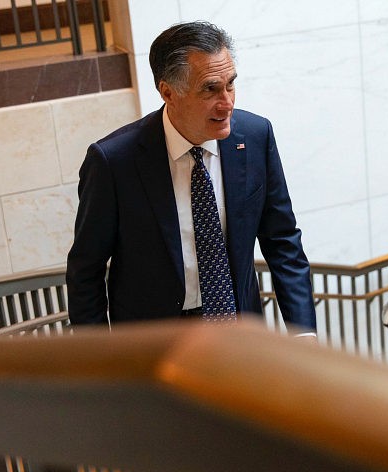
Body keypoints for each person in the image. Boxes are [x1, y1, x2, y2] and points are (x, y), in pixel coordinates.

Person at [66, 21, 316, 336]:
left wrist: (303, 333)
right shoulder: (113, 162)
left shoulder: (255, 137)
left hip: (239, 332)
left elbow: (283, 244)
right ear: (168, 92)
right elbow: (85, 273)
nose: (227, 103)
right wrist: (102, 365)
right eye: (210, 89)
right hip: (153, 344)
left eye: (230, 84)